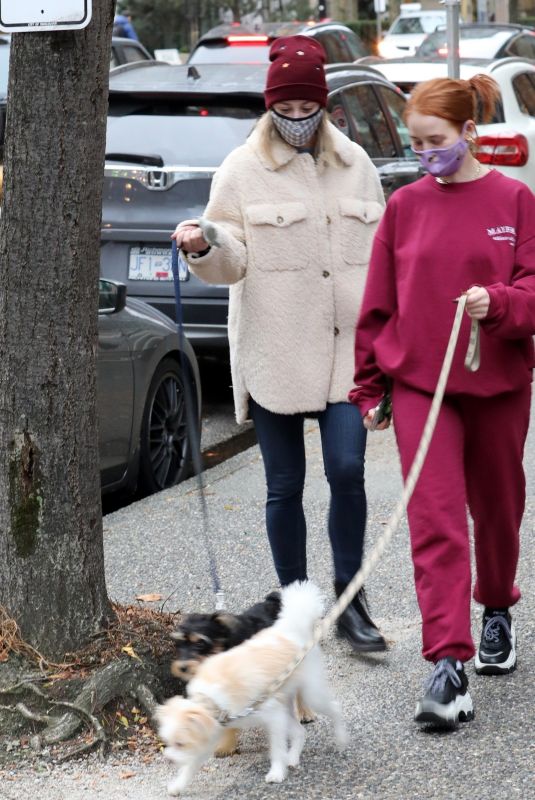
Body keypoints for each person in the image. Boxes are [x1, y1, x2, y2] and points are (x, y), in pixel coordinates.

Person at [173, 35, 387, 652]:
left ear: (324, 106)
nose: (297, 120)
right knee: (283, 484)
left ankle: (351, 601)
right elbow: (231, 257)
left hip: (348, 351)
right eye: (285, 111)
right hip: (276, 349)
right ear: (271, 108)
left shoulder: (357, 165)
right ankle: (296, 607)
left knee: (348, 470)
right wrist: (203, 244)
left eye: (306, 109)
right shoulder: (241, 169)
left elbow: (382, 256)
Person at [350, 75, 535, 725]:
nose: (426, 153)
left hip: (497, 385)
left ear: (468, 134)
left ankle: (496, 609)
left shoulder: (514, 200)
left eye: (436, 141)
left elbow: (533, 290)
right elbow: (379, 300)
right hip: (422, 389)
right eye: (416, 142)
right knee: (433, 520)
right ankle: (447, 665)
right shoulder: (404, 206)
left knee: (496, 507)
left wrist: (501, 303)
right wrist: (369, 384)